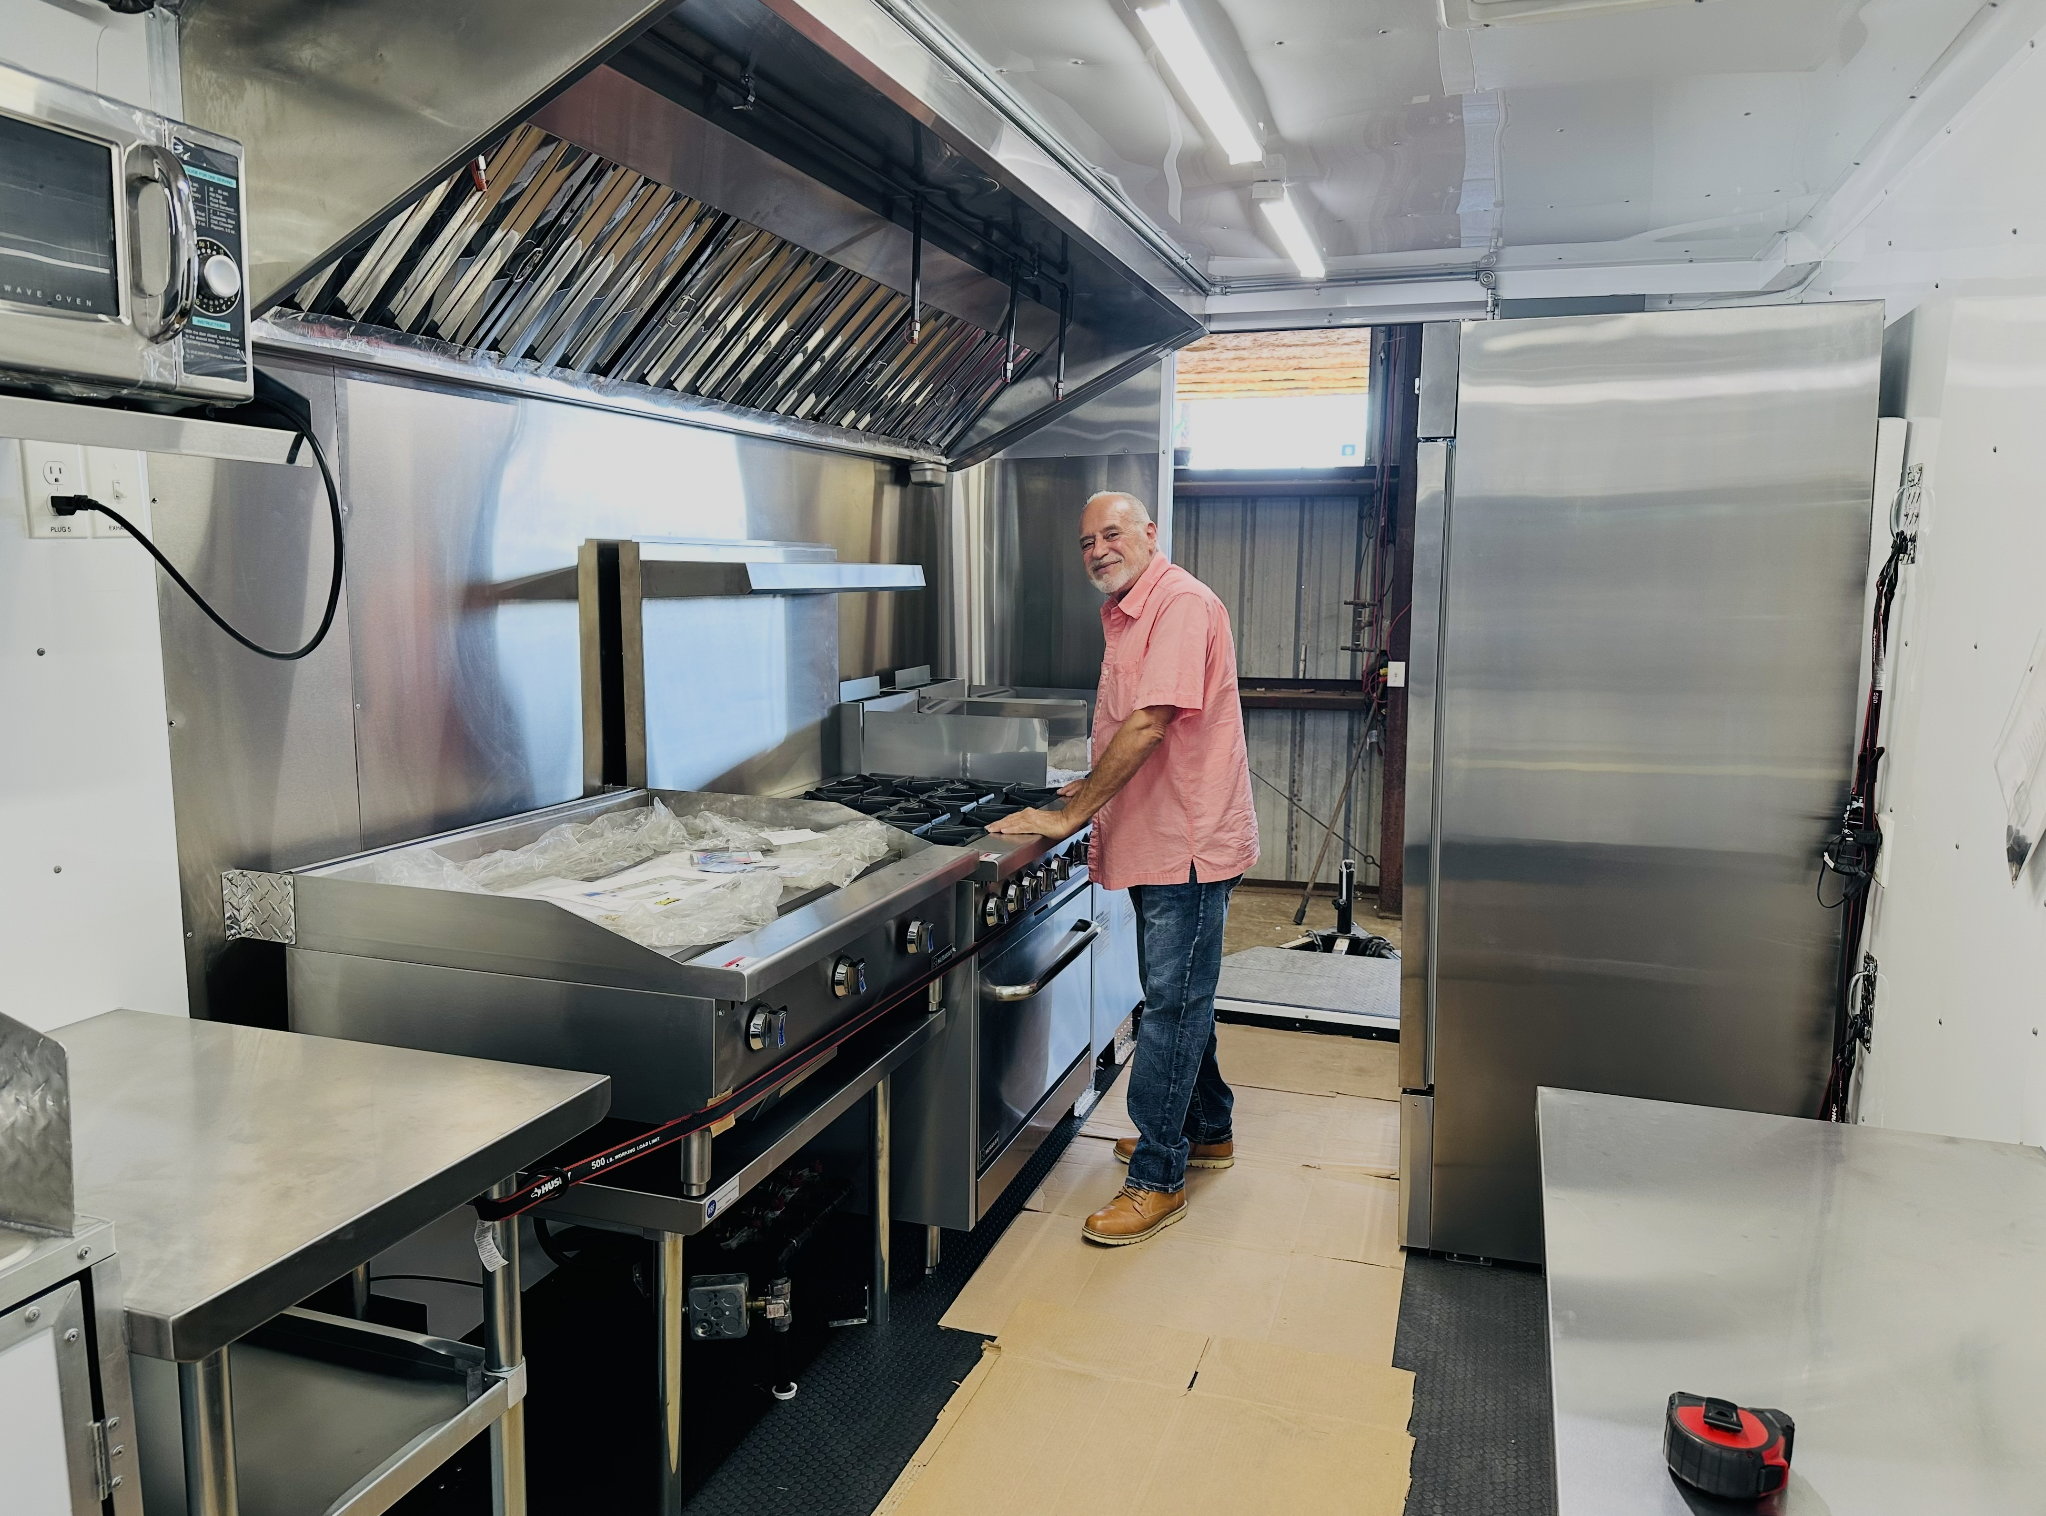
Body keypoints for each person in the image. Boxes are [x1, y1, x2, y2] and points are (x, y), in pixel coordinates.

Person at [986, 490, 1258, 1244]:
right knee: (1180, 998)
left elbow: (1150, 722)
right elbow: (1131, 731)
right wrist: (1090, 788)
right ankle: (1206, 1130)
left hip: (1189, 846)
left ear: (1149, 534)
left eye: (1112, 534)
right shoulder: (1132, 609)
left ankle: (1157, 1178)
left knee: (1170, 1007)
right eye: (1086, 542)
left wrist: (1070, 814)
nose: (1098, 549)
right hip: (1160, 834)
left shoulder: (1178, 606)